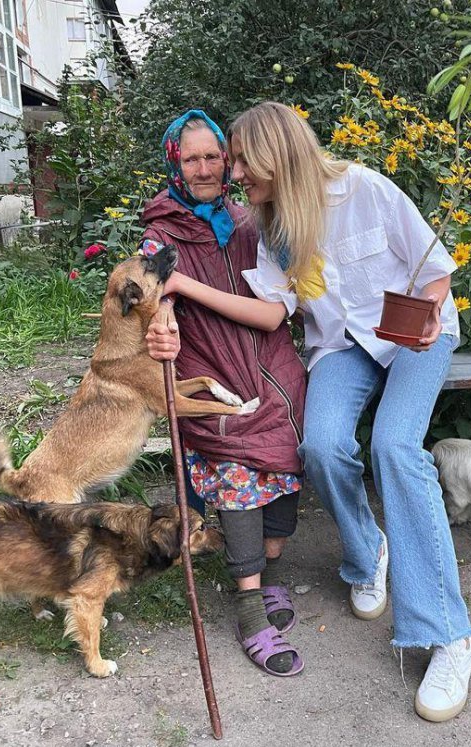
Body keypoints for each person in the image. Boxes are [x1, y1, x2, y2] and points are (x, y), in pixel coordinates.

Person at [149, 102, 471, 721]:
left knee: (394, 448)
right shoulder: (272, 224)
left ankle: (447, 633)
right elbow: (272, 311)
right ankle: (368, 553)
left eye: (240, 161)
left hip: (414, 336)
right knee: (320, 445)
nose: (231, 173)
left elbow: (436, 271)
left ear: (277, 155)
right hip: (343, 347)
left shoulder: (366, 189)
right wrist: (179, 289)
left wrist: (431, 310)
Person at [141, 110, 306, 677]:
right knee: (238, 472)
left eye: (213, 156)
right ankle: (248, 602)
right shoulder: (161, 231)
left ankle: (270, 570)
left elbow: (282, 294)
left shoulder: (251, 219)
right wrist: (161, 319)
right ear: (175, 164)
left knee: (284, 461)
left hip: (270, 363)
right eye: (192, 159)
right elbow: (153, 286)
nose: (205, 168)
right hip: (210, 367)